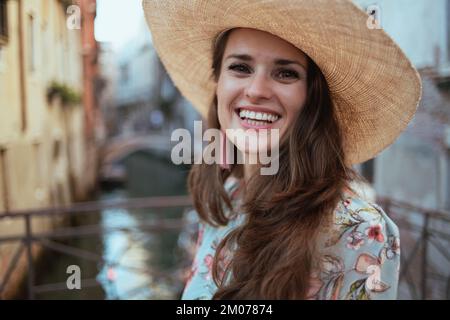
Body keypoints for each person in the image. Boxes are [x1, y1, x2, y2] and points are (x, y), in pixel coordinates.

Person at [143, 0, 421, 299]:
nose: (257, 90)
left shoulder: (362, 230)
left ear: (311, 99)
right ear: (218, 83)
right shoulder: (225, 199)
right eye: (240, 67)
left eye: (286, 73)